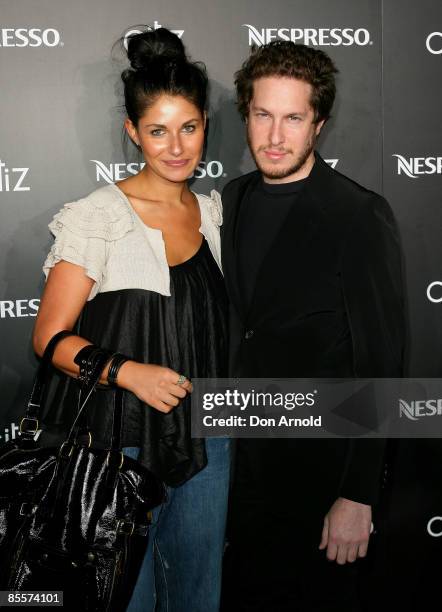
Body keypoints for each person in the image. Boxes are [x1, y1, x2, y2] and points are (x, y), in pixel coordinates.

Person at [32, 27, 230, 612]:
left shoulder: (214, 212)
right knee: (123, 598)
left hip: (205, 440)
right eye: (158, 131)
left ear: (205, 128)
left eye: (189, 128)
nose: (176, 147)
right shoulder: (97, 217)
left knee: (198, 595)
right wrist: (128, 372)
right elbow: (48, 338)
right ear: (133, 133)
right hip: (116, 445)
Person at [220, 41, 405, 610]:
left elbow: (383, 363)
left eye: (293, 118)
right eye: (263, 114)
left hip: (322, 479)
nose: (275, 136)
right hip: (240, 469)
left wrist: (357, 496)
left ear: (318, 125)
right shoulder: (234, 197)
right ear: (246, 114)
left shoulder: (358, 214)